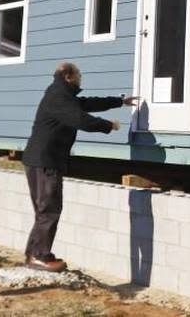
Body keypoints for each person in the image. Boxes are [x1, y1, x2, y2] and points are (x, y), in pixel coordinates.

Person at [21, 61, 139, 272]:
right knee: (49, 210)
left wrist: (120, 102)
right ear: (69, 76)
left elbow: (86, 103)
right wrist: (108, 125)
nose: (81, 79)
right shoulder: (59, 97)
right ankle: (39, 256)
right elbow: (80, 119)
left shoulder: (61, 94)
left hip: (40, 160)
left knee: (44, 211)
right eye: (79, 76)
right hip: (45, 162)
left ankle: (34, 254)